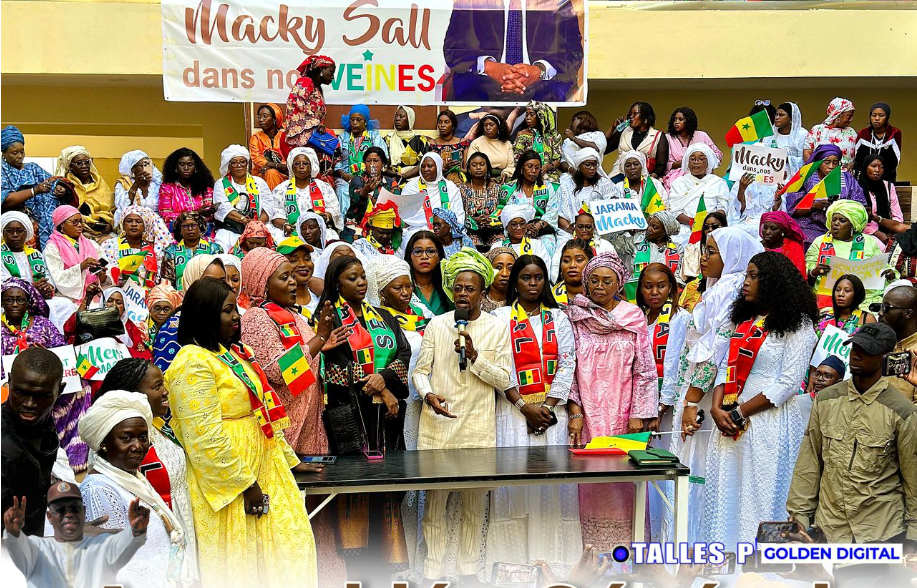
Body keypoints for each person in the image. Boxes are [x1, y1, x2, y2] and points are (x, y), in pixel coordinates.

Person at [163, 277, 318, 587]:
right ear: (204, 315)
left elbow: (262, 412)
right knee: (243, 563)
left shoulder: (234, 352)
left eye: (235, 309)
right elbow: (202, 436)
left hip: (264, 465)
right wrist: (245, 485)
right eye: (227, 311)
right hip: (233, 481)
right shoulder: (191, 362)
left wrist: (291, 459)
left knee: (289, 552)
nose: (236, 317)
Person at [702, 251, 818, 550]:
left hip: (767, 421)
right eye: (747, 276)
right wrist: (716, 408)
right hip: (728, 418)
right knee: (727, 489)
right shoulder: (744, 320)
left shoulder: (798, 324)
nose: (746, 283)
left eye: (754, 277)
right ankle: (725, 561)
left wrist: (740, 412)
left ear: (773, 283)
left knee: (761, 491)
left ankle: (761, 568)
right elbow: (725, 368)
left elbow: (788, 383)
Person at [412, 248, 512, 580]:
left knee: (473, 506)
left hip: (477, 429)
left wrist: (475, 357)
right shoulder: (437, 325)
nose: (464, 294)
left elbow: (504, 379)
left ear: (483, 293)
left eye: (471, 289)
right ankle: (433, 573)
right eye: (458, 288)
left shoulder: (497, 329)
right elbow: (419, 372)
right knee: (435, 505)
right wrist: (427, 396)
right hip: (439, 426)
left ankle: (469, 572)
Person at [485, 254, 580, 573]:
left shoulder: (560, 318)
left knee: (549, 486)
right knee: (516, 485)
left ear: (545, 281)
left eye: (538, 277)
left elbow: (568, 362)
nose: (532, 283)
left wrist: (548, 408)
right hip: (513, 416)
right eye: (525, 277)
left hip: (552, 418)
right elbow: (498, 366)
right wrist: (524, 407)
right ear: (516, 282)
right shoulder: (499, 318)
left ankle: (552, 564)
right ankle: (514, 565)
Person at [668, 227, 764, 544]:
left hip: (709, 394)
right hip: (696, 386)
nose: (704, 257)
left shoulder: (732, 292)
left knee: (699, 466)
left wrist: (692, 403)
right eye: (703, 250)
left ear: (732, 256)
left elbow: (714, 352)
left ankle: (696, 545)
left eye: (711, 251)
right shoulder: (715, 287)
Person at [787, 322, 917, 550]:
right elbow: (809, 463)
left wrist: (913, 538)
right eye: (854, 348)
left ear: (885, 357)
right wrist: (800, 518)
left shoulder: (902, 411)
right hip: (829, 528)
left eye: (867, 350)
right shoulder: (826, 400)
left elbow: (913, 479)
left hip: (880, 531)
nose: (856, 355)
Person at [565, 252, 656, 548]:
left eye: (607, 281)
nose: (599, 286)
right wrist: (576, 413)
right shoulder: (576, 316)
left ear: (619, 283)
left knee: (624, 482)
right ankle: (593, 555)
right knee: (591, 482)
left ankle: (629, 555)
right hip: (589, 416)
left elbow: (645, 369)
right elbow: (571, 367)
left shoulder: (633, 316)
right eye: (593, 280)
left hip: (623, 415)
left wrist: (638, 415)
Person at [78, 390, 193, 587]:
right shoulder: (98, 489)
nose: (138, 446)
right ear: (104, 443)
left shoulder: (132, 479)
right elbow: (119, 563)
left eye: (143, 437)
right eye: (127, 438)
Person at [96, 359, 198, 573]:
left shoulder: (157, 427)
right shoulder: (119, 441)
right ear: (133, 395)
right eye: (157, 386)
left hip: (180, 524)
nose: (165, 392)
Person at [240, 247, 337, 454]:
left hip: (309, 422)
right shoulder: (256, 317)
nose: (293, 282)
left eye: (292, 276)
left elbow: (306, 355)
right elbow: (278, 369)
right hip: (285, 427)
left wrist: (322, 343)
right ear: (262, 283)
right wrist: (319, 338)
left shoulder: (291, 313)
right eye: (284, 278)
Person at [3, 481, 150, 588]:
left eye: (75, 509)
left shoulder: (102, 545)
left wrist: (136, 530)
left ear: (84, 512)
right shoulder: (37, 548)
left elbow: (128, 541)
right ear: (49, 517)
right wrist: (13, 531)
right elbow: (17, 546)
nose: (68, 514)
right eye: (60, 510)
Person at [636, 262, 690, 540]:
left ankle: (665, 532)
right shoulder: (638, 317)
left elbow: (676, 365)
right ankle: (647, 530)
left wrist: (659, 406)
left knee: (663, 463)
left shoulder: (679, 318)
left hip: (664, 408)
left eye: (661, 286)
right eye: (648, 286)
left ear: (672, 288)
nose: (654, 292)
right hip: (640, 405)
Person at [443, 0, 584, 102]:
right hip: (484, 79)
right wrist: (490, 67)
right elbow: (453, 50)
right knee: (471, 94)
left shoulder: (557, 2)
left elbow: (573, 52)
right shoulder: (471, 1)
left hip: (542, 81)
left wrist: (539, 70)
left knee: (553, 100)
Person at [1, 348, 63, 536]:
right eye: (20, 392)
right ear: (9, 382)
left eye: (41, 396)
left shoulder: (42, 423)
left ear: (59, 391)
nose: (29, 404)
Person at [806, 200, 887, 309]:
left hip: (864, 298)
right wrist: (814, 272)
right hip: (828, 299)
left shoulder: (868, 241)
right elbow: (806, 270)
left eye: (842, 220)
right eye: (834, 220)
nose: (836, 223)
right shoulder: (820, 241)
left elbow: (881, 266)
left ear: (853, 225)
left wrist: (889, 273)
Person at [152, 255, 226, 373]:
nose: (218, 287)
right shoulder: (174, 328)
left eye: (222, 281)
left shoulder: (224, 319)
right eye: (210, 281)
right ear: (193, 282)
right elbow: (163, 379)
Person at [1, 212, 75, 328]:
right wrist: (31, 288)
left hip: (38, 298)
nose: (15, 235)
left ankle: (61, 340)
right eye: (10, 231)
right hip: (12, 302)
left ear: (26, 234)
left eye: (19, 231)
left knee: (65, 304)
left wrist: (48, 286)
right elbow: (3, 283)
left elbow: (47, 276)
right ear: (3, 233)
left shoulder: (35, 254)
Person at [786, 143, 866, 248]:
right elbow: (793, 210)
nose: (831, 166)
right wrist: (814, 206)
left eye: (835, 163)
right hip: (812, 226)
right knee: (810, 243)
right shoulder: (806, 178)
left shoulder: (847, 178)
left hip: (843, 227)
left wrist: (842, 207)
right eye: (827, 162)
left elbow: (859, 204)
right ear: (819, 163)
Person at [0, 126, 56, 248]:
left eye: (22, 151)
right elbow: (5, 200)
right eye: (14, 153)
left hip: (43, 224)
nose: (20, 156)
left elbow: (53, 181)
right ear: (3, 153)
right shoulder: (2, 171)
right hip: (16, 229)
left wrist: (59, 187)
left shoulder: (33, 168)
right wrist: (34, 190)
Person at [212, 145, 274, 252]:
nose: (239, 165)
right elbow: (223, 208)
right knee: (222, 251)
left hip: (258, 226)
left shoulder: (259, 182)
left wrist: (256, 225)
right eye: (234, 162)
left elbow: (269, 207)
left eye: (242, 162)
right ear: (228, 166)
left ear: (247, 164)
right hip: (231, 230)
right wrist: (243, 220)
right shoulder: (221, 184)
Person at [666, 144, 730, 247]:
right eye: (692, 159)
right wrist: (693, 222)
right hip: (685, 228)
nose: (696, 162)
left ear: (708, 162)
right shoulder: (679, 183)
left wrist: (709, 223)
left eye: (701, 159)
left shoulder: (718, 182)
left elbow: (723, 208)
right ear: (688, 162)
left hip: (712, 227)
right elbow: (674, 211)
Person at [497, 150, 559, 255]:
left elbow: (552, 211)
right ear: (521, 168)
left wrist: (539, 225)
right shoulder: (509, 189)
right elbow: (503, 212)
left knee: (547, 247)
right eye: (529, 166)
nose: (533, 170)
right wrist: (524, 226)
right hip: (515, 231)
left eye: (537, 167)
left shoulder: (548, 187)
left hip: (541, 230)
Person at [271, 146, 341, 238]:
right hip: (291, 231)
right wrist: (286, 226)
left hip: (318, 231)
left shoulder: (323, 187)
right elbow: (276, 214)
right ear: (292, 167)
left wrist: (324, 216)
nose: (301, 167)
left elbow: (334, 209)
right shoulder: (281, 189)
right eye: (297, 164)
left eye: (305, 163)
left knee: (331, 237)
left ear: (311, 166)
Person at [101, 205, 172, 291]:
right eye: (129, 221)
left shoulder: (154, 249)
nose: (134, 224)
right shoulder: (110, 245)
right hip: (118, 294)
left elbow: (158, 279)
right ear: (123, 224)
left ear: (145, 225)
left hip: (146, 294)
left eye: (138, 221)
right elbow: (105, 274)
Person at [43, 205, 105, 304]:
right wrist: (81, 267)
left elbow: (108, 269)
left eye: (81, 221)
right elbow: (57, 278)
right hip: (68, 298)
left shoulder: (91, 244)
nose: (80, 225)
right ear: (62, 225)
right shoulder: (53, 247)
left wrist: (102, 275)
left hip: (95, 293)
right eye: (75, 222)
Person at [334, 105, 388, 216]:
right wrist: (344, 175)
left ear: (365, 122)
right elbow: (336, 160)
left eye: (358, 120)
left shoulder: (374, 137)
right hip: (347, 178)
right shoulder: (343, 138)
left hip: (370, 177)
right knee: (342, 191)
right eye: (352, 119)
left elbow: (382, 158)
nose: (354, 122)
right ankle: (345, 224)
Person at [55, 145, 115, 242]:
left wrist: (108, 223)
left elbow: (109, 209)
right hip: (76, 229)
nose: (84, 166)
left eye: (87, 162)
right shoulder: (65, 184)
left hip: (102, 230)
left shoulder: (100, 182)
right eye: (79, 163)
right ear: (70, 166)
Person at [558, 148, 621, 237]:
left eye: (594, 165)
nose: (592, 168)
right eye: (588, 165)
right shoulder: (567, 185)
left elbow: (614, 210)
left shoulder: (604, 184)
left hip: (601, 232)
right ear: (579, 166)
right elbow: (561, 214)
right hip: (573, 232)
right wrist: (568, 228)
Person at [400, 152, 466, 234]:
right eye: (423, 166)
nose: (425, 169)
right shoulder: (411, 187)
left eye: (430, 166)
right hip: (417, 231)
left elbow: (458, 214)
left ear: (438, 167)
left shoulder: (450, 187)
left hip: (446, 232)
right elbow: (405, 216)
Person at [626, 211, 684, 302]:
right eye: (649, 225)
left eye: (655, 227)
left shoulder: (677, 249)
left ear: (665, 232)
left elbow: (677, 277)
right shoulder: (637, 242)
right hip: (636, 294)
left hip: (665, 297)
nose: (649, 229)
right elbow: (614, 242)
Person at [661, 107, 723, 190]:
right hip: (676, 179)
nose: (676, 122)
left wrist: (702, 161)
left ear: (689, 121)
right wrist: (688, 162)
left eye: (680, 119)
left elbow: (718, 155)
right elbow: (665, 164)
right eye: (675, 119)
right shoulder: (667, 138)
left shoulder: (702, 135)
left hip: (703, 176)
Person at [158, 147, 217, 234]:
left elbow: (209, 215)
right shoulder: (167, 188)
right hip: (176, 233)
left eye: (190, 165)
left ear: (195, 167)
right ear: (175, 167)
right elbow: (165, 216)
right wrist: (196, 213)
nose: (186, 168)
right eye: (182, 164)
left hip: (203, 231)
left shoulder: (205, 188)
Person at [1, 278, 65, 355]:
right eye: (9, 300)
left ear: (28, 303)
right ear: (1, 303)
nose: (15, 304)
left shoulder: (43, 324)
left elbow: (62, 352)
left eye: (20, 300)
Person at [160, 211, 223, 290]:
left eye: (193, 225)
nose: (190, 229)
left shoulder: (214, 249)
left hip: (209, 293)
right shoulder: (171, 251)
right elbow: (166, 281)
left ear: (200, 227)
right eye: (185, 226)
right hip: (180, 295)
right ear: (180, 230)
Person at [284, 55, 336, 150]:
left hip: (313, 140)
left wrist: (319, 125)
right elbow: (294, 103)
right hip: (302, 140)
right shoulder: (306, 81)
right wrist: (315, 123)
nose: (332, 77)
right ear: (321, 70)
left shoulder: (317, 89)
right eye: (331, 72)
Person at [608, 102, 669, 181]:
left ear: (645, 118)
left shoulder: (658, 135)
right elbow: (605, 149)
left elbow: (662, 164)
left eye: (635, 113)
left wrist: (652, 177)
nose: (631, 116)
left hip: (645, 176)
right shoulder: (624, 131)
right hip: (618, 174)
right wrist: (613, 127)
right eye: (630, 114)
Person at [678, 211, 728, 309]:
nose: (710, 230)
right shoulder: (694, 248)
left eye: (714, 227)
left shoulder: (730, 288)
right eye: (706, 227)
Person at [877, 284, 917, 403]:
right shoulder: (880, 342)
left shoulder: (915, 352)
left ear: (908, 313)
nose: (880, 313)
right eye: (880, 307)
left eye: (886, 308)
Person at [346, 146, 400, 232]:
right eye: (368, 161)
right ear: (365, 163)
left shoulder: (391, 183)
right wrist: (365, 192)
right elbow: (355, 201)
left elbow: (397, 203)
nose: (372, 164)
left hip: (385, 225)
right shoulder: (357, 180)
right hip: (359, 224)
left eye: (375, 161)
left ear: (383, 164)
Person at [459, 151, 503, 248]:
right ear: (469, 169)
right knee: (472, 246)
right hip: (470, 230)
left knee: (499, 246)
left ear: (487, 167)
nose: (478, 168)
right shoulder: (461, 189)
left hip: (494, 230)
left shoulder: (497, 188)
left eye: (482, 164)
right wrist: (474, 220)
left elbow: (502, 209)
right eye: (474, 165)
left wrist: (491, 220)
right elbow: (458, 213)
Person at [513, 101, 563, 183]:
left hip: (549, 174)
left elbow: (557, 161)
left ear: (541, 115)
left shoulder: (554, 137)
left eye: (532, 114)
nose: (528, 118)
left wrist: (546, 167)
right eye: (526, 115)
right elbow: (517, 158)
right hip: (527, 174)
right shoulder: (522, 135)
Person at [803, 97, 858, 169]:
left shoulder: (851, 132)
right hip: (820, 176)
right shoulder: (818, 130)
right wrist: (814, 171)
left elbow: (858, 155)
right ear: (838, 114)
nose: (851, 120)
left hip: (844, 176)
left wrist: (852, 164)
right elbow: (807, 152)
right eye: (849, 116)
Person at [858, 154, 902, 243]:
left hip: (888, 230)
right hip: (864, 233)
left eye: (881, 167)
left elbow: (897, 215)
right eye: (873, 166)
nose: (877, 170)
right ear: (865, 167)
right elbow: (855, 218)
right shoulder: (857, 187)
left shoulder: (888, 186)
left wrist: (891, 231)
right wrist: (875, 232)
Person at [854, 101, 902, 183]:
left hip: (886, 179)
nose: (876, 118)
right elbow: (857, 159)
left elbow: (895, 160)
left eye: (881, 115)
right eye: (874, 115)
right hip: (864, 180)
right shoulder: (863, 134)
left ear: (887, 117)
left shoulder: (894, 133)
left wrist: (879, 171)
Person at [101, 287, 153, 359]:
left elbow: (141, 352)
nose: (114, 305)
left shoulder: (129, 326)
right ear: (103, 304)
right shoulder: (94, 325)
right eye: (109, 301)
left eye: (119, 303)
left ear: (124, 307)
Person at [277, 236, 321, 321]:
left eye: (307, 259)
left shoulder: (319, 295)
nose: (302, 264)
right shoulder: (279, 305)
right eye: (293, 260)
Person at [386, 105, 429, 183]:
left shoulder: (420, 140)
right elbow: (383, 165)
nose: (397, 119)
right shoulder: (388, 139)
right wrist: (395, 174)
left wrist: (405, 176)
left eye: (401, 117)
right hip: (392, 180)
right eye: (396, 116)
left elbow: (423, 163)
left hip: (415, 181)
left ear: (410, 119)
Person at [249, 103, 288, 190]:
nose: (261, 120)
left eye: (265, 116)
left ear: (274, 119)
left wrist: (280, 166)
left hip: (283, 174)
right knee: (271, 173)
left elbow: (288, 157)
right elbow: (256, 158)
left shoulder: (284, 137)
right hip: (261, 174)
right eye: (259, 117)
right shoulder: (256, 138)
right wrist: (277, 165)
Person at [466, 113, 515, 179]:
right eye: (485, 125)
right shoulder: (476, 143)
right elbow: (471, 165)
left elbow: (511, 166)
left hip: (503, 177)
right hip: (481, 178)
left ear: (498, 127)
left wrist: (505, 174)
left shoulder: (507, 143)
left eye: (491, 125)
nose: (488, 128)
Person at [759, 210, 806, 278]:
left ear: (783, 231)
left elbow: (798, 274)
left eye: (773, 229)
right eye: (765, 228)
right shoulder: (757, 246)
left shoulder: (793, 247)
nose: (767, 232)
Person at [428, 109, 471, 185]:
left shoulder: (463, 143)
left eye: (446, 122)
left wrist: (456, 169)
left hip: (459, 183)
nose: (442, 125)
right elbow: (428, 170)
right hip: (438, 183)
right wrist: (444, 168)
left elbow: (467, 170)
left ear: (453, 125)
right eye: (440, 122)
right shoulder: (431, 144)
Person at [552, 239, 594, 305]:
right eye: (566, 261)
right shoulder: (550, 298)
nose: (572, 265)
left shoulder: (600, 296)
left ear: (590, 263)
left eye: (579, 260)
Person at [481, 246, 518, 313]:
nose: (505, 274)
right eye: (498, 267)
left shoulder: (521, 303)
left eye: (510, 268)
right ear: (489, 270)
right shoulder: (478, 302)